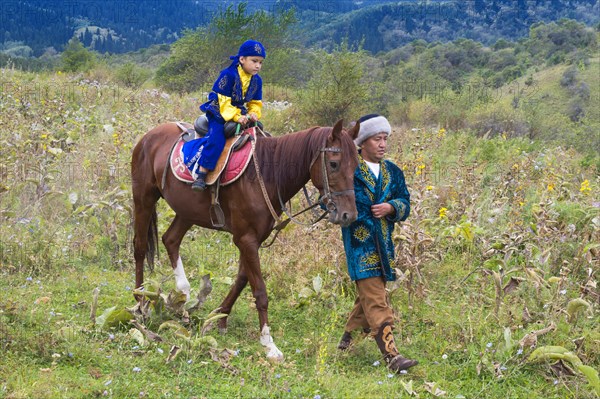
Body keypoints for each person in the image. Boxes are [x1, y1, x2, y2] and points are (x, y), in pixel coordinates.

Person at [337, 114, 418, 373]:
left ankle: (345, 345)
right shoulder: (351, 169)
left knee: (368, 297)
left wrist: (392, 207)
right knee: (377, 298)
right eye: (376, 139)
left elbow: (405, 201)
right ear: (362, 143)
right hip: (360, 245)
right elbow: (340, 201)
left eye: (385, 139)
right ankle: (392, 357)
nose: (383, 144)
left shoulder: (393, 171)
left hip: (384, 244)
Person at [183, 39, 266, 191]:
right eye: (254, 61)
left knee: (260, 132)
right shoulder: (228, 75)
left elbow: (255, 102)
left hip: (240, 112)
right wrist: (236, 117)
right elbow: (223, 101)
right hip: (219, 111)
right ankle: (202, 173)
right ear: (242, 59)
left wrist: (254, 113)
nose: (258, 66)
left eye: (260, 62)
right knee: (217, 138)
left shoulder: (257, 80)